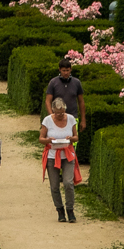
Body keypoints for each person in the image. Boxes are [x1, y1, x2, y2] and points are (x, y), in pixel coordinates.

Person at [42, 95, 79, 223]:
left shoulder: (70, 119)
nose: (60, 115)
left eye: (62, 113)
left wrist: (70, 138)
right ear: (53, 111)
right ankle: (60, 210)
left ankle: (70, 209)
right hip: (52, 156)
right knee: (54, 186)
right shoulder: (47, 121)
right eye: (58, 113)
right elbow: (41, 139)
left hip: (67, 155)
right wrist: (48, 140)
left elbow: (76, 137)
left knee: (68, 182)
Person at [45, 60, 87, 134]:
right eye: (64, 70)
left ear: (71, 69)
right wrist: (51, 116)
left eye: (67, 70)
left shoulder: (77, 83)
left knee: (72, 142)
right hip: (57, 117)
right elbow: (48, 101)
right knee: (58, 141)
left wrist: (83, 120)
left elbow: (81, 101)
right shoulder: (53, 82)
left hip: (73, 118)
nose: (66, 73)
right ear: (60, 69)